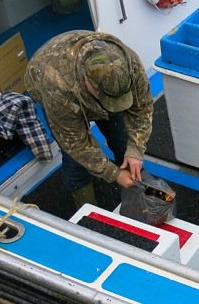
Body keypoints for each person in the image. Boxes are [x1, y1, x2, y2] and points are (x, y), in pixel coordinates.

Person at [24, 30, 153, 207]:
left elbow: (143, 108)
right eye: (109, 99)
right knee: (75, 161)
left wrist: (136, 150)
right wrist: (113, 173)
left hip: (88, 88)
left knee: (121, 139)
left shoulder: (130, 65)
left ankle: (136, 191)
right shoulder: (57, 88)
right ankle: (86, 208)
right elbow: (76, 144)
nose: (112, 106)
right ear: (87, 81)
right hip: (50, 82)